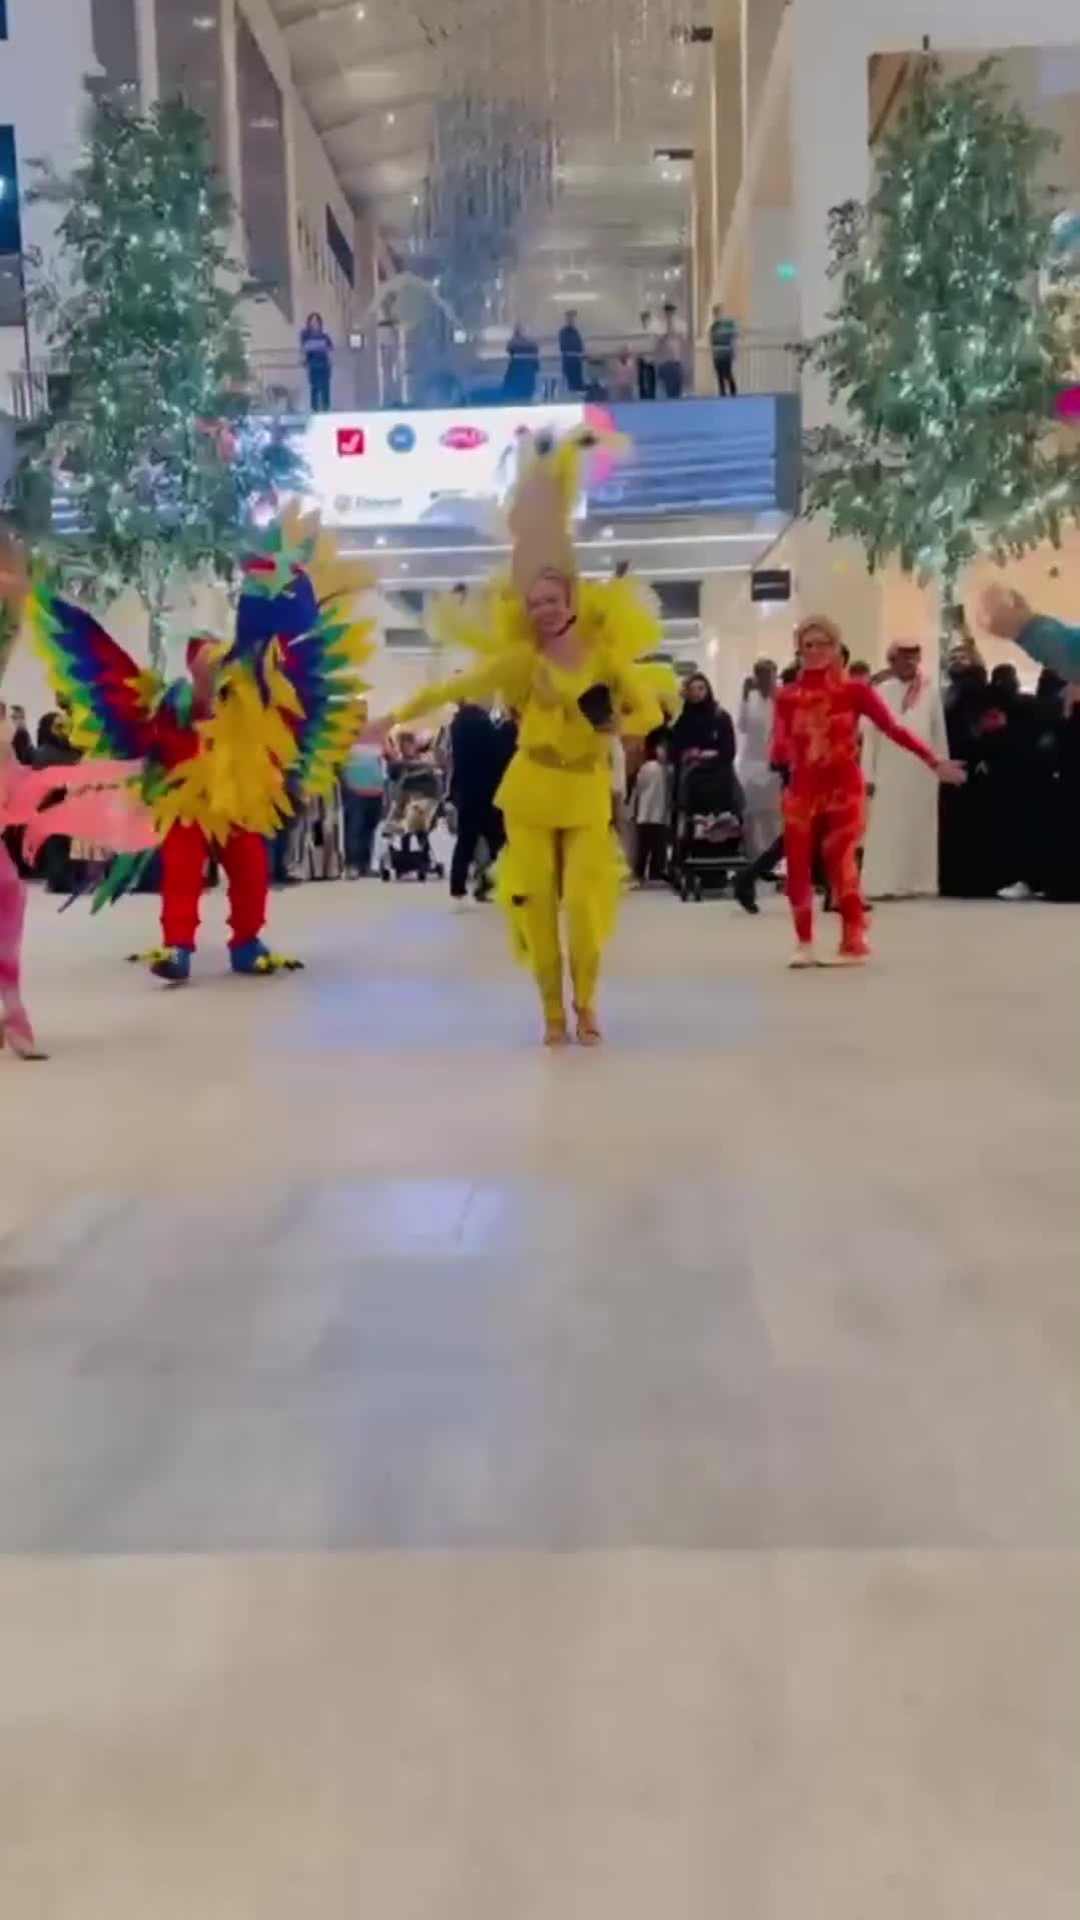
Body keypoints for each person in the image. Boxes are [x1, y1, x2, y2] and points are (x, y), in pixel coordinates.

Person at [384, 426, 676, 1045]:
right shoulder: (522, 660)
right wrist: (389, 720)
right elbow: (452, 689)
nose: (543, 609)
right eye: (533, 601)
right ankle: (551, 1013)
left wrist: (613, 723)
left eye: (551, 598)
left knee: (585, 908)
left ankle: (587, 1003)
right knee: (537, 904)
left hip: (585, 789)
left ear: (571, 596)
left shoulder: (602, 658)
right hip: (530, 787)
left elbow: (651, 714)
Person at [29, 507, 375, 983]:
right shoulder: (178, 698)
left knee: (251, 871)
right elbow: (189, 713)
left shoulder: (262, 690)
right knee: (182, 871)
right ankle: (178, 947)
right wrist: (204, 686)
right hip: (188, 801)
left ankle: (246, 943)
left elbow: (283, 683)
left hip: (240, 802)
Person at [768, 617, 964, 966]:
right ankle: (804, 942)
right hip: (802, 789)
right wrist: (784, 747)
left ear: (835, 648)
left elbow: (892, 729)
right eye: (808, 645)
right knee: (797, 864)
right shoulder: (787, 697)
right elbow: (779, 747)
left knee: (839, 859)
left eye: (822, 644)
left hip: (844, 787)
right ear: (799, 650)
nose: (814, 651)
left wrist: (933, 761)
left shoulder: (854, 690)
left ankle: (853, 940)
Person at [861, 640, 948, 900]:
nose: (909, 662)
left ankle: (918, 882)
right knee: (886, 826)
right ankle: (882, 883)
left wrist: (942, 765)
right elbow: (870, 736)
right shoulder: (879, 691)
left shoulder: (929, 690)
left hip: (922, 771)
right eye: (904, 657)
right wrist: (867, 774)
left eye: (914, 657)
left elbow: (938, 730)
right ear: (892, 661)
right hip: (888, 769)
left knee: (920, 825)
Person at [447, 696, 506, 903]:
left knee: (465, 841)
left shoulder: (456, 724)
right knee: (499, 842)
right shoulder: (483, 724)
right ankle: (491, 883)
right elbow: (496, 755)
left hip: (466, 790)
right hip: (488, 791)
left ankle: (457, 888)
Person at [736, 658, 781, 863]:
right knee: (752, 814)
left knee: (773, 814)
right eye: (762, 675)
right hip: (751, 763)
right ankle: (754, 857)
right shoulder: (751, 698)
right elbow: (742, 726)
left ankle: (773, 859)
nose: (767, 679)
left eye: (770, 675)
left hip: (774, 762)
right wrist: (744, 696)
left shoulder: (780, 697)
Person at [669, 673, 736, 786]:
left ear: (708, 690)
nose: (696, 693)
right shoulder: (683, 718)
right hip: (689, 777)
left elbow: (729, 751)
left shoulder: (721, 717)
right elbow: (675, 745)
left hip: (716, 777)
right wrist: (687, 753)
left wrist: (704, 755)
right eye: (692, 689)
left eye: (701, 688)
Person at [340, 715, 386, 878]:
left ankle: (365, 865)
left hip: (375, 790)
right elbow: (340, 764)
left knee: (369, 828)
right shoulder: (345, 737)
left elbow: (383, 760)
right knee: (354, 829)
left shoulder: (377, 736)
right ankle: (352, 865)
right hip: (355, 790)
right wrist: (346, 784)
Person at [631, 734, 671, 883]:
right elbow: (639, 789)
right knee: (653, 849)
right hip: (652, 815)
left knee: (648, 849)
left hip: (651, 815)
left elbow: (637, 789)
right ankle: (650, 875)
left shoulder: (654, 768)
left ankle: (644, 874)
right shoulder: (653, 767)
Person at [300, 312, 334, 412]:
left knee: (325, 386)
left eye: (316, 321)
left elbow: (330, 347)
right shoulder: (305, 335)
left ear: (320, 323)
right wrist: (318, 346)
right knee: (314, 387)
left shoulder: (324, 335)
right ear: (309, 323)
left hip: (324, 363)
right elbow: (305, 347)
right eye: (312, 321)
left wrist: (320, 347)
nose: (315, 323)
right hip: (313, 364)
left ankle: (326, 407)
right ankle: (315, 408)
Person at [504, 323, 540, 403]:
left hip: (520, 372)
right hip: (524, 372)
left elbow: (509, 349)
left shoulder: (514, 342)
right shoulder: (531, 343)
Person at [656, 304, 685, 400]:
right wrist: (667, 332)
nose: (670, 315)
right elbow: (658, 343)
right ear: (665, 313)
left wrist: (673, 329)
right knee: (668, 391)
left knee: (677, 389)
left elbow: (683, 340)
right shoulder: (660, 326)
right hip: (665, 363)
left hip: (676, 362)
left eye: (672, 313)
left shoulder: (680, 324)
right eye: (668, 313)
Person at [709, 306, 738, 396]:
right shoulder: (713, 327)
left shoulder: (728, 325)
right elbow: (712, 342)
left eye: (719, 313)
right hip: (717, 355)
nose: (717, 315)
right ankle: (722, 394)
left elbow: (734, 337)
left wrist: (733, 352)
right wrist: (713, 355)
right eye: (716, 313)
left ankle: (733, 393)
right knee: (720, 376)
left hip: (726, 354)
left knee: (728, 374)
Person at [558, 310, 585, 396]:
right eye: (570, 318)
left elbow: (580, 346)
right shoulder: (563, 332)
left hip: (577, 362)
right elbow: (563, 347)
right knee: (571, 386)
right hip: (569, 362)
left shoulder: (576, 332)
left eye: (573, 318)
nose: (572, 320)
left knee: (577, 384)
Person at [636, 310, 657, 400]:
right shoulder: (639, 331)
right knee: (642, 381)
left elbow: (655, 345)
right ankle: (643, 397)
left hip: (651, 360)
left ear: (649, 320)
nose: (645, 321)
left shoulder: (653, 331)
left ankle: (651, 397)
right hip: (642, 359)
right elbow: (638, 346)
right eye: (643, 319)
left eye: (646, 319)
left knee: (651, 380)